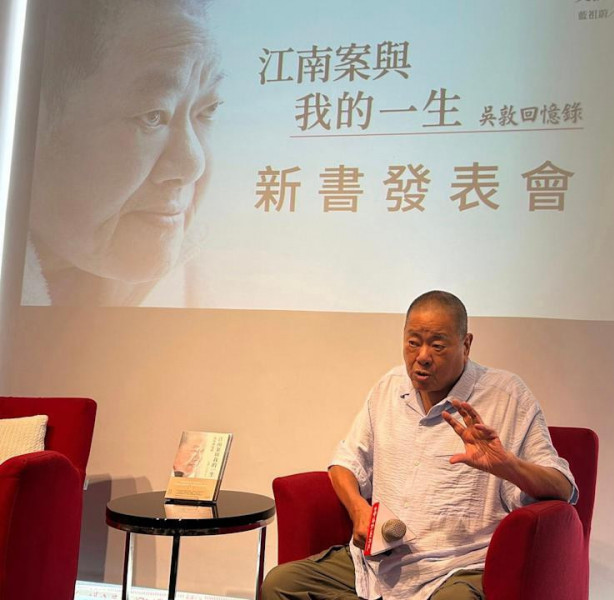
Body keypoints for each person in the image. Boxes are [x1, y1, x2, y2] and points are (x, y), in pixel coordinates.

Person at [263, 290, 577, 600]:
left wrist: (509, 466)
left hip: (456, 568)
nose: (422, 356)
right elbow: (345, 463)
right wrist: (358, 509)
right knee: (280, 584)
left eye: (437, 345)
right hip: (379, 566)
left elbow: (564, 489)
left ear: (466, 344)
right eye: (413, 342)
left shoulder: (506, 395)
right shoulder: (389, 387)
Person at [22, 0, 223, 306]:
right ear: (29, 121)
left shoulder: (207, 289)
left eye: (207, 111)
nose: (193, 165)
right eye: (152, 116)